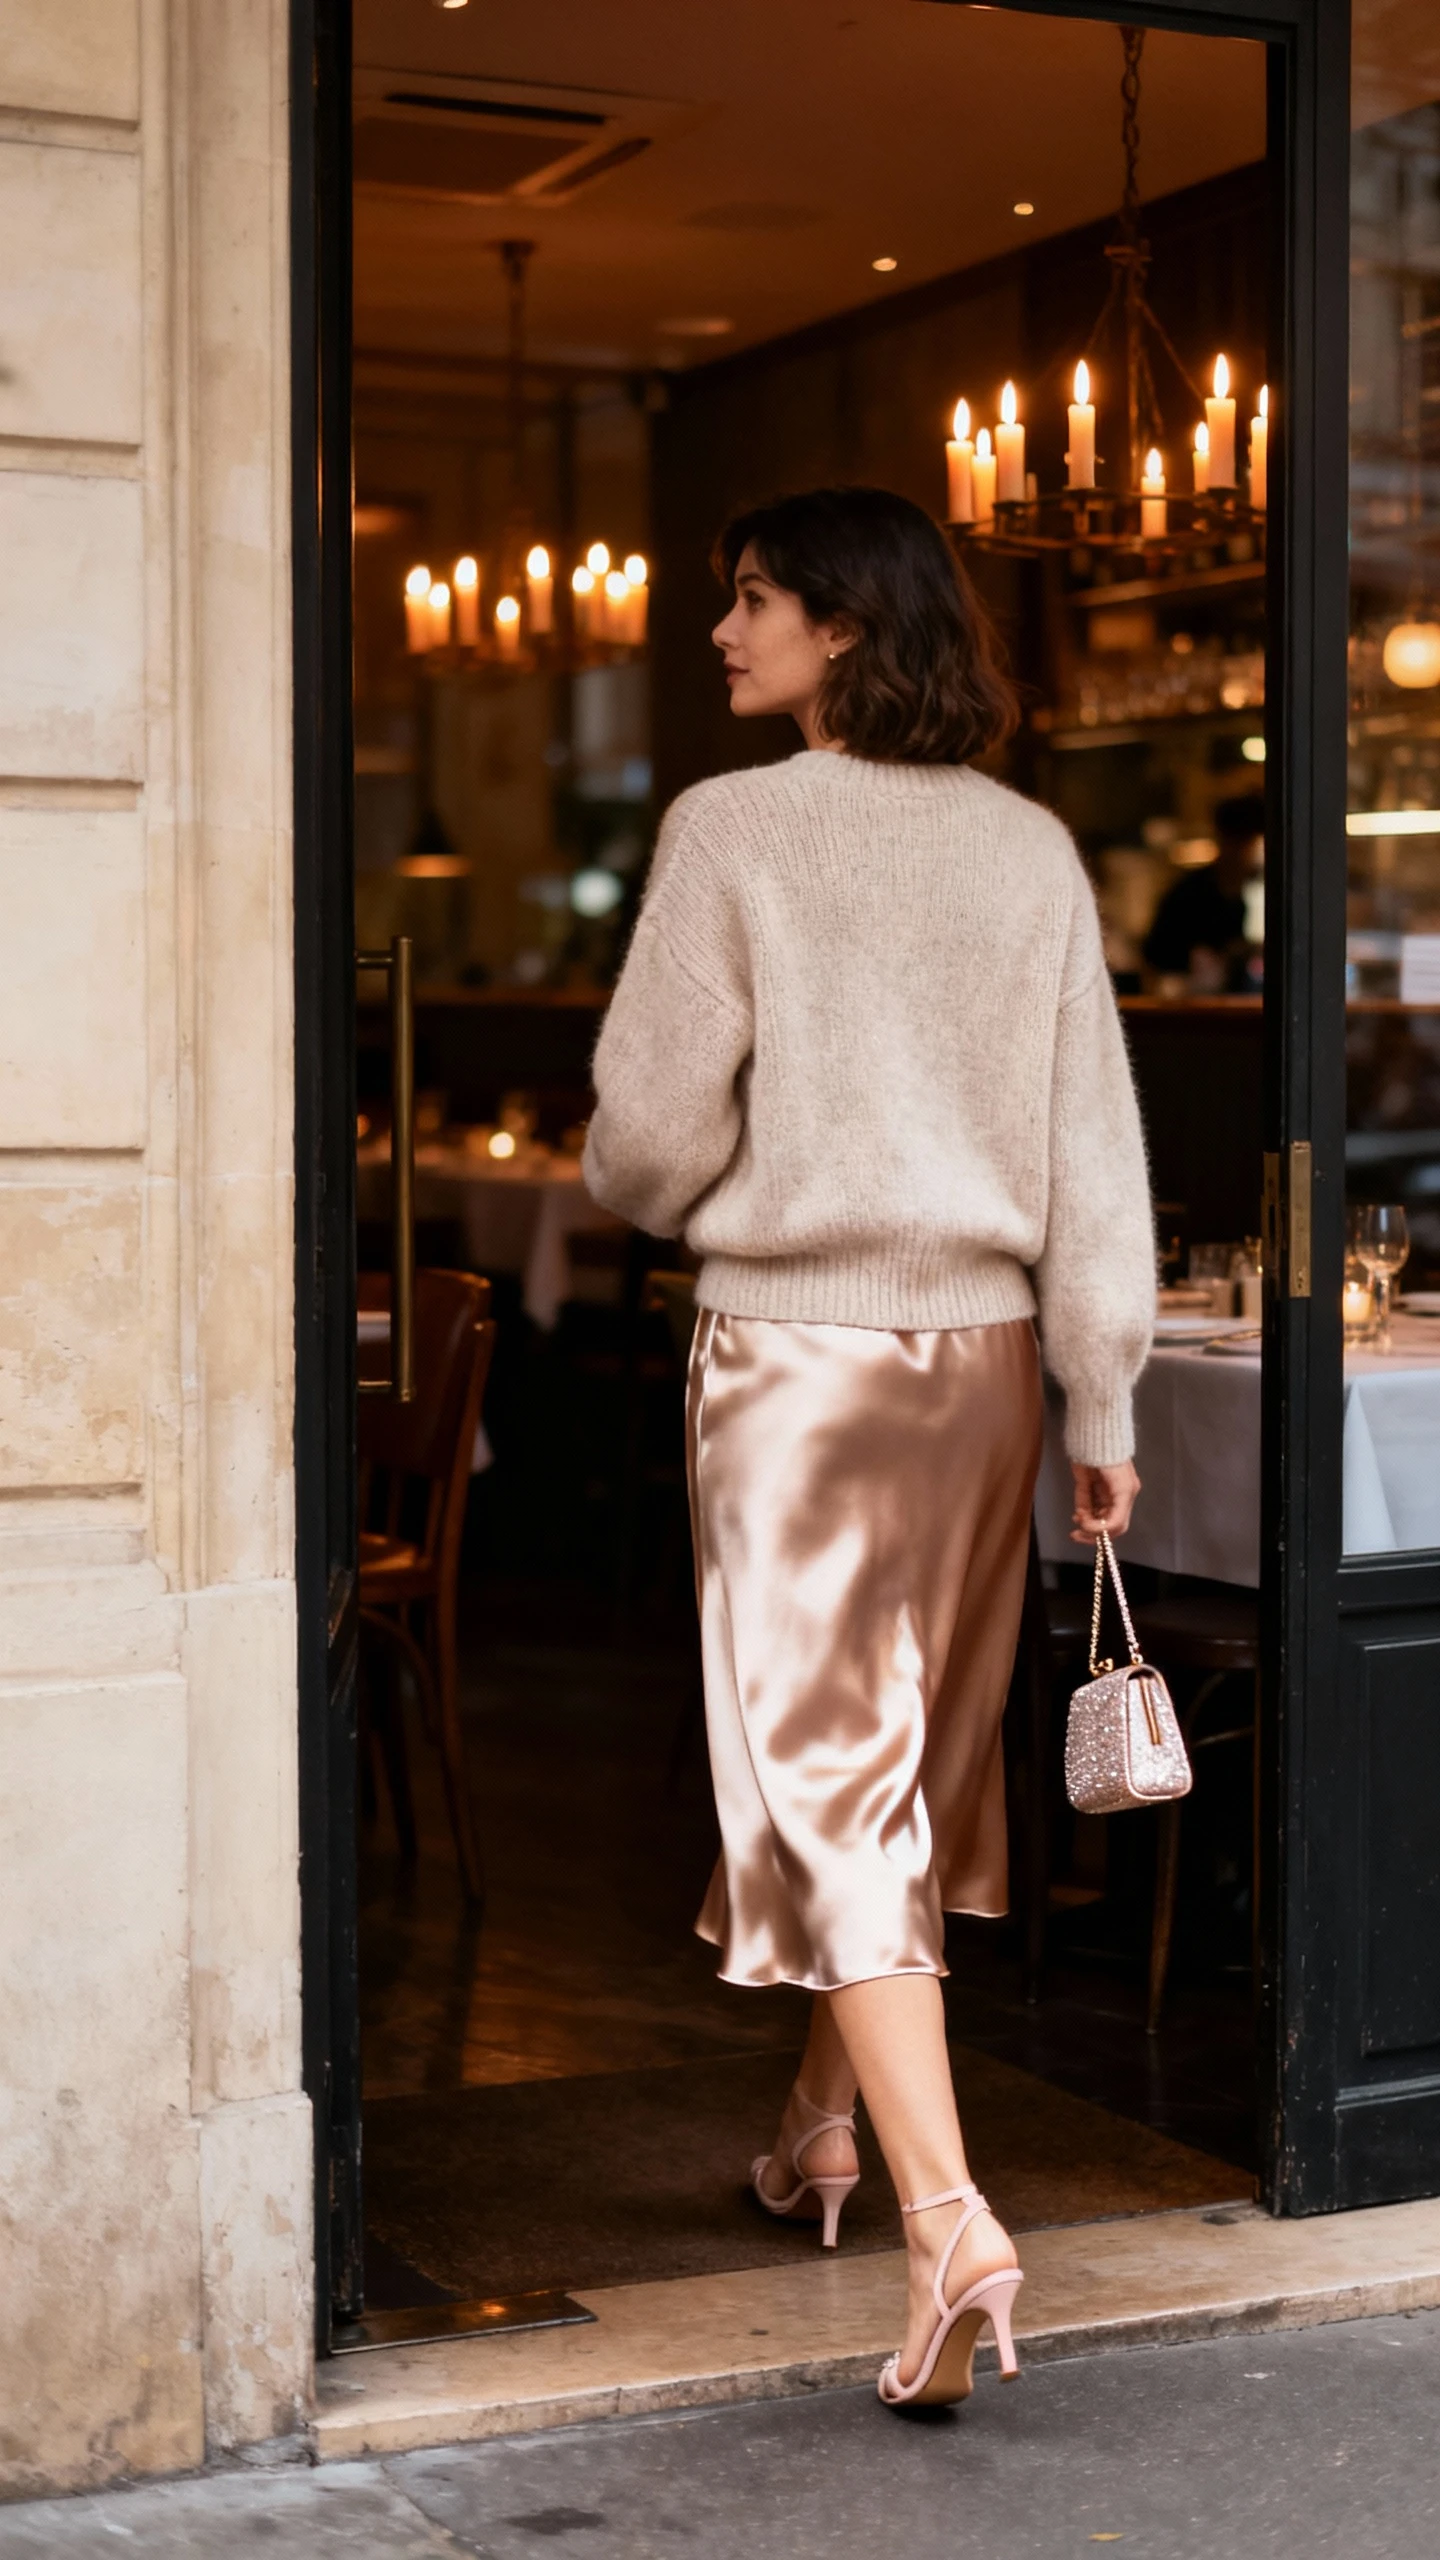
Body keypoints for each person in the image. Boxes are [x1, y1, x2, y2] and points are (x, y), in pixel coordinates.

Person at [583, 487, 1153, 2411]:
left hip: (802, 1367)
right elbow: (1097, 1152)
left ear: (844, 628)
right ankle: (818, 2137)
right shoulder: (1031, 852)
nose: (722, 632)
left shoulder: (730, 829)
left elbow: (647, 1138)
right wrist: (1106, 1392)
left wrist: (724, 1177)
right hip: (991, 1365)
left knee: (831, 1781)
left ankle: (942, 2222)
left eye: (751, 602)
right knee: (906, 1762)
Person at [1142, 792, 1265, 994]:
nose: (1259, 854)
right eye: (1253, 843)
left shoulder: (1240, 895)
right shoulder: (1189, 895)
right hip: (1190, 1007)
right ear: (1231, 843)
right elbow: (1157, 959)